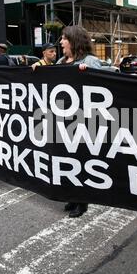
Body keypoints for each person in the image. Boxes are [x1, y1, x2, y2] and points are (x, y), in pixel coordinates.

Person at [56, 25, 101, 218]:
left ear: (74, 40)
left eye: (64, 38)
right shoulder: (61, 61)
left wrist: (89, 74)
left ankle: (82, 202)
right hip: (62, 119)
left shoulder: (91, 61)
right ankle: (72, 197)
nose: (61, 42)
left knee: (80, 160)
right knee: (66, 159)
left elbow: (103, 87)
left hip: (82, 120)